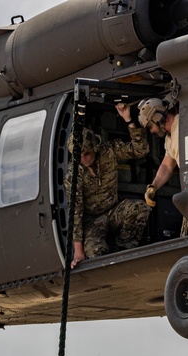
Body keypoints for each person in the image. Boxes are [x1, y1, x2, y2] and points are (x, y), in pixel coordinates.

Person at [66, 102, 151, 268]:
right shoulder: (74, 174)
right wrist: (78, 250)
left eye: (87, 154)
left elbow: (140, 150)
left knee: (141, 208)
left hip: (114, 211)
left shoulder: (108, 151)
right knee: (95, 254)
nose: (83, 159)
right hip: (92, 221)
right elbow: (75, 212)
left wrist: (128, 120)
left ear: (95, 148)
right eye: (79, 157)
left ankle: (124, 250)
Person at [139, 98, 187, 234]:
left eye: (150, 126)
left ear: (157, 118)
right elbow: (167, 166)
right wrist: (153, 187)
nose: (152, 131)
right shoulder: (169, 138)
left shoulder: (184, 122)